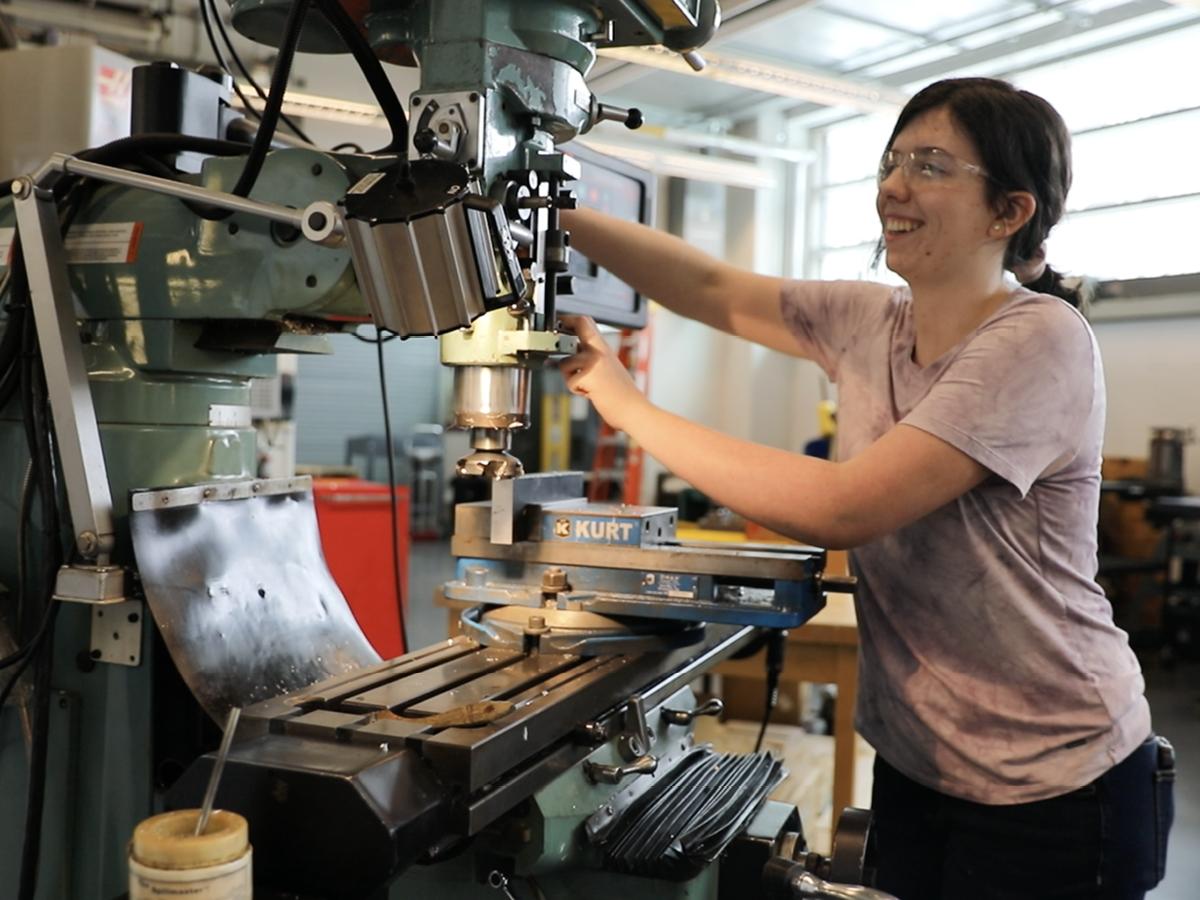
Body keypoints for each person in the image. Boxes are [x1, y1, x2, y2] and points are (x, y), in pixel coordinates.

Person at [556, 77, 1174, 899]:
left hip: (1055, 779)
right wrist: (542, 207)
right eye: (891, 161)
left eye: (930, 165)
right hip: (921, 758)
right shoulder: (872, 320)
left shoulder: (1039, 340)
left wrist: (619, 397)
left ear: (1009, 212)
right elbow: (710, 288)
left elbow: (844, 506)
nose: (892, 185)